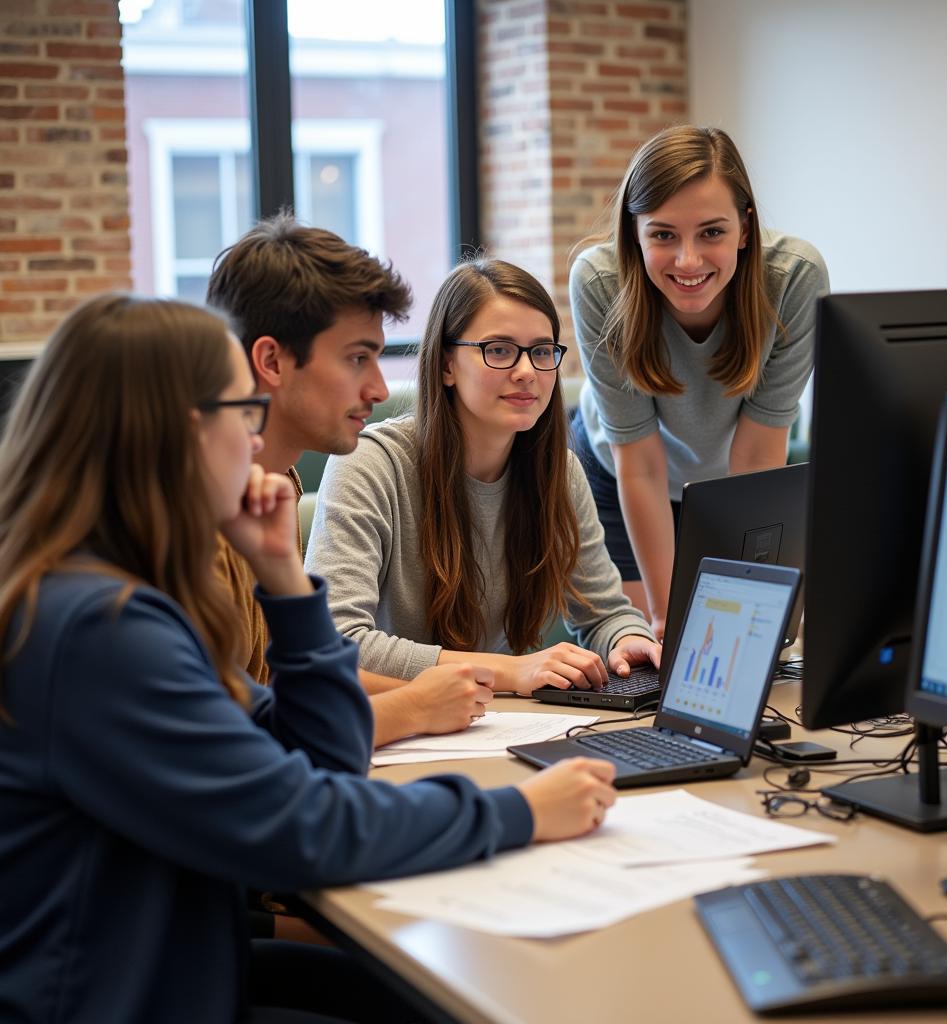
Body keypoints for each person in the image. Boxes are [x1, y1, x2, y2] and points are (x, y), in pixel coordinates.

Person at [0, 294, 617, 1024]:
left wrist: (285, 584)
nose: (258, 442)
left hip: (169, 966)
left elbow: (321, 753)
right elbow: (306, 828)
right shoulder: (97, 629)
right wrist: (516, 811)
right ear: (178, 433)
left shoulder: (120, 594)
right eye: (245, 413)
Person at [305, 258, 661, 695]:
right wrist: (506, 671)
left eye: (542, 350)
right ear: (446, 365)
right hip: (387, 727)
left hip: (495, 722)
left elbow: (603, 612)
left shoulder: (560, 473)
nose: (527, 371)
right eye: (499, 350)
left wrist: (631, 639)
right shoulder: (370, 463)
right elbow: (340, 641)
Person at [206, 214, 496, 748]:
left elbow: (282, 690)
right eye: (357, 358)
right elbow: (235, 740)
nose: (380, 389)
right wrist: (411, 706)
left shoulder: (277, 482)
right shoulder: (195, 519)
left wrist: (442, 694)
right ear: (271, 359)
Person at [569, 124, 829, 638]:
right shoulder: (599, 282)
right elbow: (639, 465)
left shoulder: (795, 278)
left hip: (727, 478)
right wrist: (665, 618)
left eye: (712, 232)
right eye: (663, 234)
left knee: (735, 630)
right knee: (648, 647)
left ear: (746, 228)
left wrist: (744, 606)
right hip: (620, 472)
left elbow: (756, 460)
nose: (688, 261)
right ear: (634, 232)